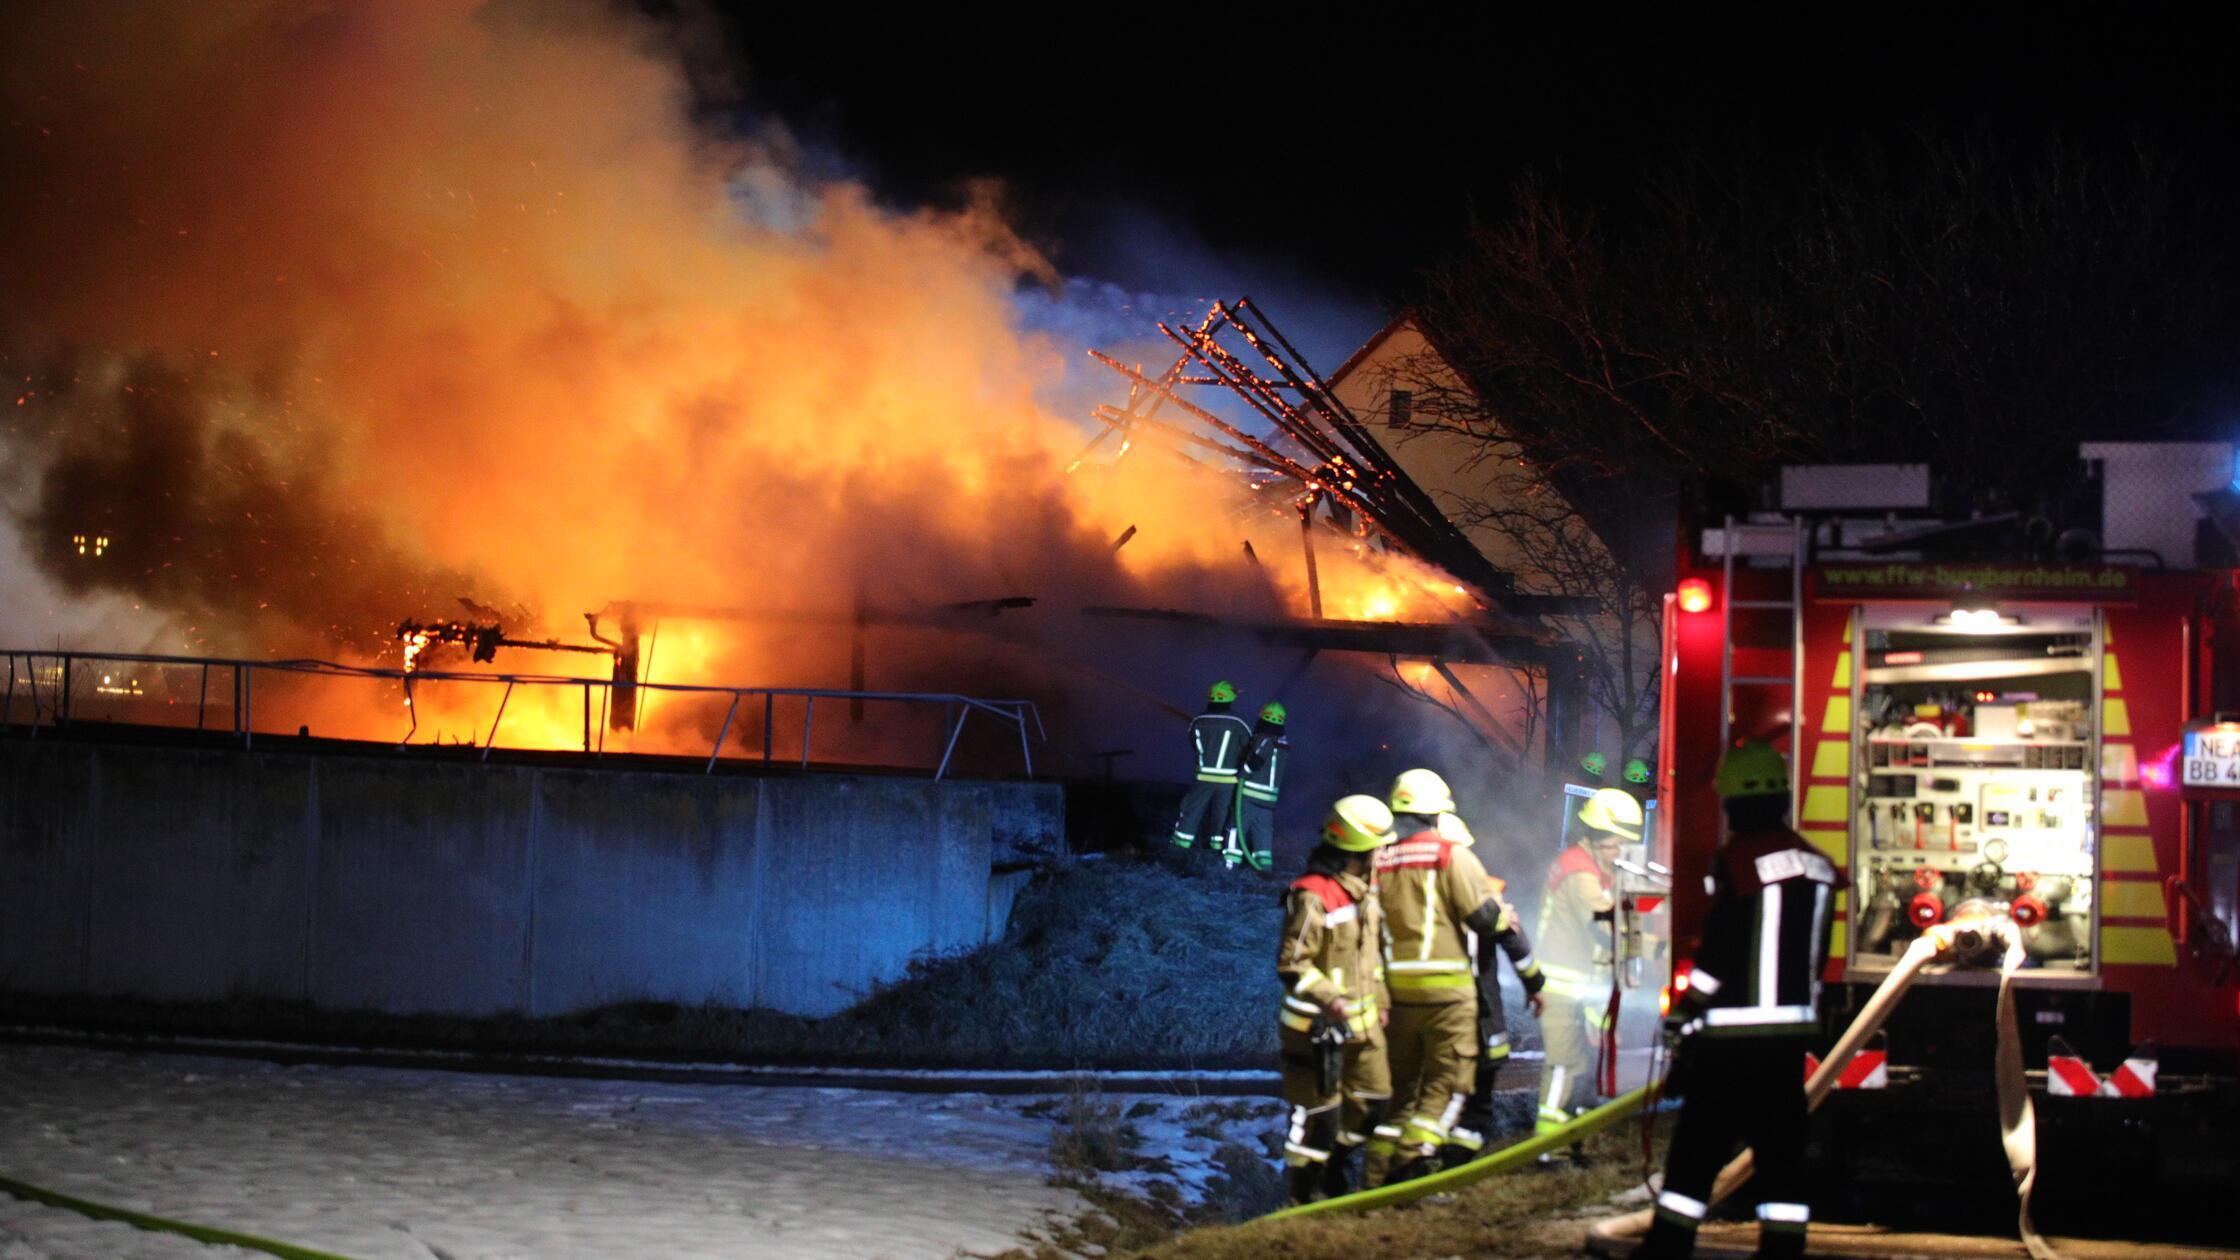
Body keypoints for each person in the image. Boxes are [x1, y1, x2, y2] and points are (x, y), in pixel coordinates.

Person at [1641, 741, 1834, 1259]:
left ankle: (1667, 1246)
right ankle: (1782, 1251)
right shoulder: (1816, 865)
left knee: (1698, 1150)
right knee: (1781, 1155)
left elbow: (1719, 954)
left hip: (1732, 1040)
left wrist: (1684, 1013)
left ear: (1739, 802)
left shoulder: (1739, 863)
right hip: (1789, 1039)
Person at [1366, 770, 1519, 1186]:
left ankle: (1376, 1179)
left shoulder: (1378, 860)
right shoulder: (1451, 855)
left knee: (1402, 1096)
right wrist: (1506, 915)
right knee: (1448, 1089)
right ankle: (1415, 1172)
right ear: (1436, 813)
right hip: (1447, 993)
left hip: (1395, 995)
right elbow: (1485, 919)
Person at [1276, 795, 1395, 1203]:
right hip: (1316, 1030)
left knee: (1376, 1102)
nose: (1383, 856)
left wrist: (1379, 1000)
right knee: (1317, 1119)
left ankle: (1334, 1166)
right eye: (1379, 848)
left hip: (1362, 1030)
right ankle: (1303, 1200)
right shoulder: (1312, 895)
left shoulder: (1367, 895)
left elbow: (1371, 958)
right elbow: (1293, 963)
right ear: (1359, 851)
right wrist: (1332, 999)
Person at [1533, 786, 1642, 1143]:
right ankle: (1547, 1147)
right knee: (1564, 1066)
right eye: (1619, 845)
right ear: (1602, 838)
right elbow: (1605, 929)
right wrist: (1655, 945)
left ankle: (1570, 1140)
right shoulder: (1581, 873)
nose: (1622, 854)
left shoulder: (1589, 867)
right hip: (1564, 987)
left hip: (1579, 986)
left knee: (1579, 1067)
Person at [1169, 681, 1252, 864]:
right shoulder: (1238, 722)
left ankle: (1177, 854)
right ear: (1231, 698)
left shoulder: (1198, 720)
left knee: (1190, 814)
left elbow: (1193, 743)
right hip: (1228, 781)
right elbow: (1249, 748)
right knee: (1222, 815)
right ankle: (1216, 853)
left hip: (1202, 778)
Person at [1232, 701, 1288, 872]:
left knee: (1235, 828)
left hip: (1250, 794)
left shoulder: (1265, 739)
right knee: (1263, 835)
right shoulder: (1283, 744)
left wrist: (1240, 775)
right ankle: (1264, 868)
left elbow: (1256, 760)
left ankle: (1228, 865)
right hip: (1268, 801)